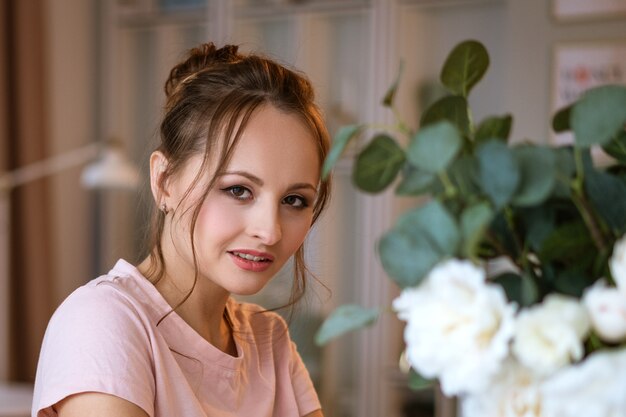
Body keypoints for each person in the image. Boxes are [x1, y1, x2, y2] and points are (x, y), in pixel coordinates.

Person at [31, 43, 331, 417]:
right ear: (165, 181)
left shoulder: (270, 342)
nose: (269, 231)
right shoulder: (104, 321)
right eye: (238, 190)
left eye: (294, 200)